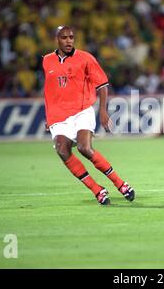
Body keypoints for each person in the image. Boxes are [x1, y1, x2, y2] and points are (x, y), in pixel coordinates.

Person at [42, 25, 135, 205]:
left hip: (82, 110)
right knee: (62, 150)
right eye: (64, 37)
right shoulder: (47, 61)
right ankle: (97, 190)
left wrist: (102, 111)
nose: (68, 41)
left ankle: (121, 184)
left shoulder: (85, 58)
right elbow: (49, 91)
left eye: (71, 37)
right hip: (58, 115)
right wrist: (49, 116)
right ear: (57, 39)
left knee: (85, 148)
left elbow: (102, 85)